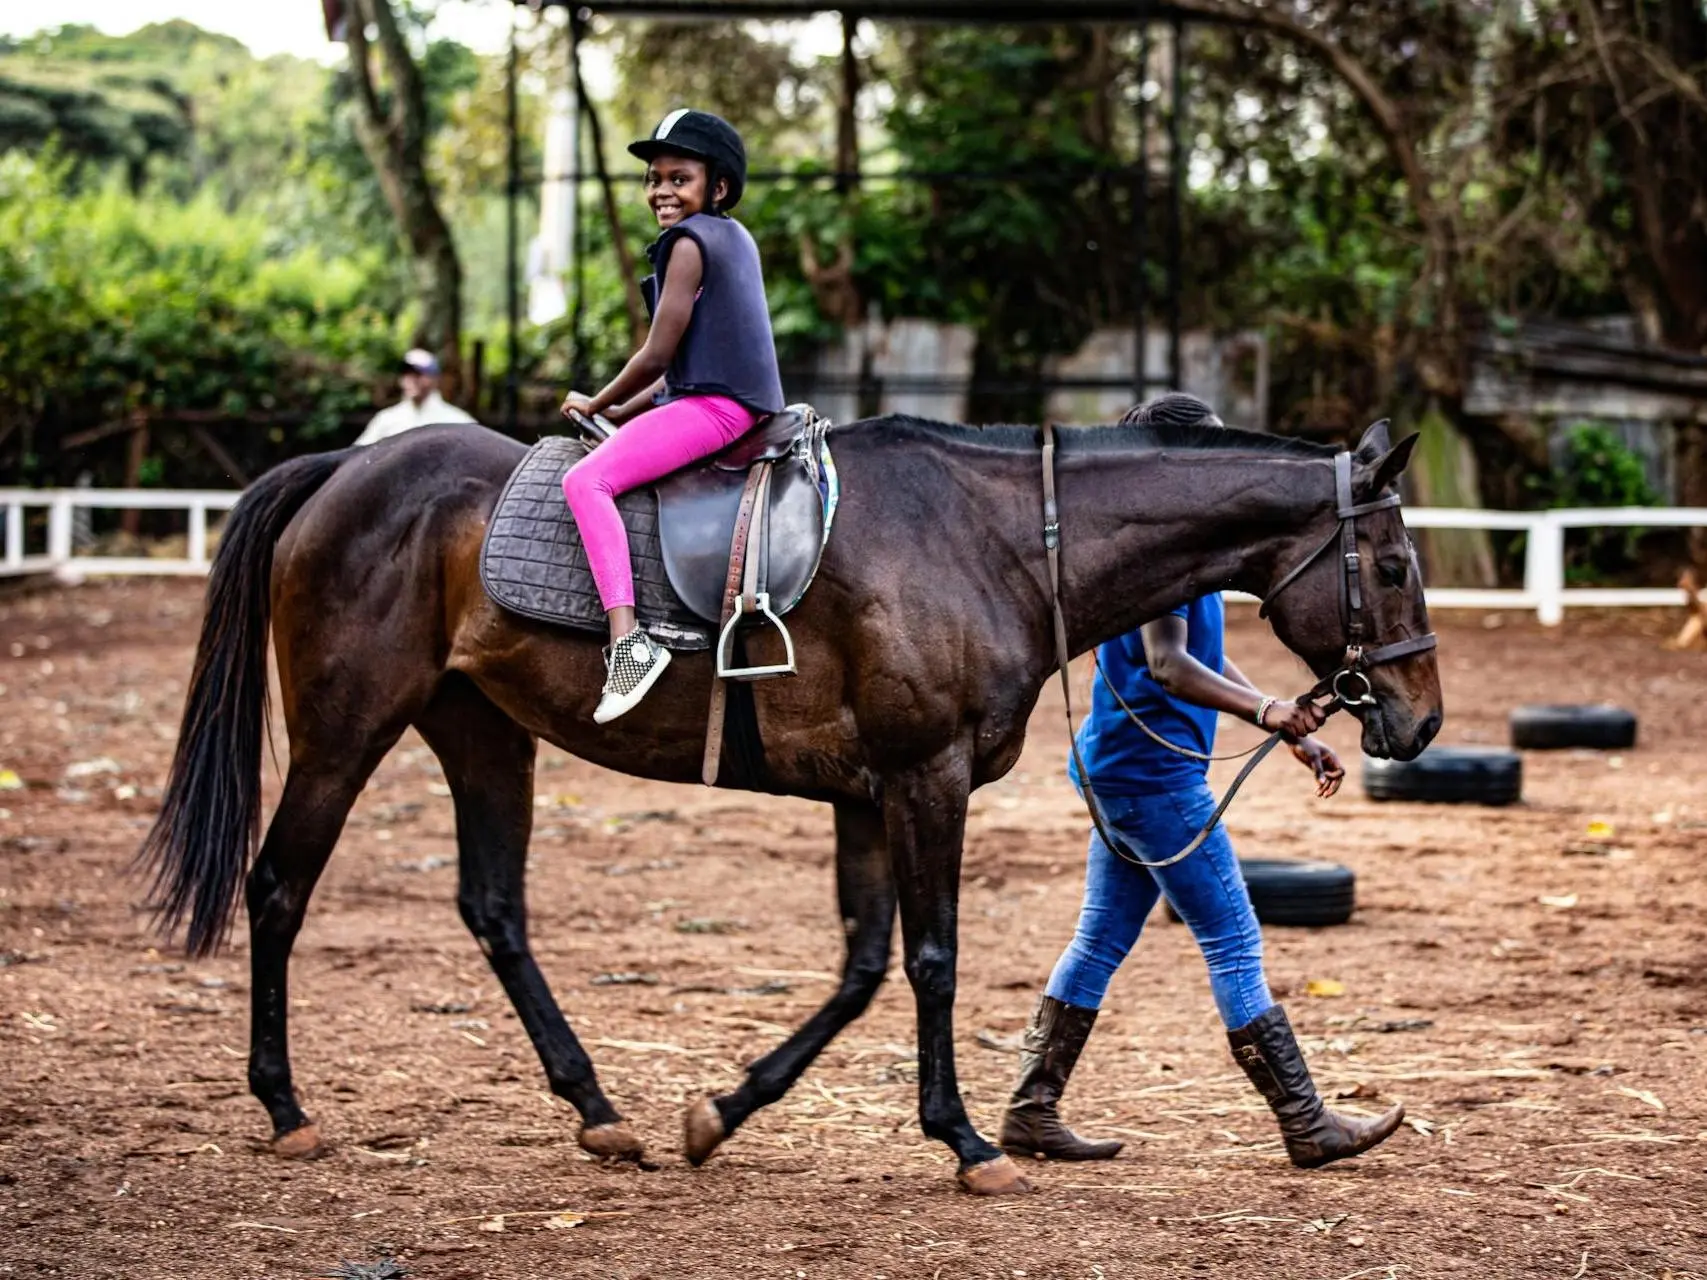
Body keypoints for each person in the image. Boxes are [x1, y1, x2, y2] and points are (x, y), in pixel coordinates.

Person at [998, 392, 1405, 1169]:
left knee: (1098, 939)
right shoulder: (1165, 552)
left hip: (1119, 769)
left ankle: (1030, 1108)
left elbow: (1202, 653)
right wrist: (1270, 711)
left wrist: (1277, 723)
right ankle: (1305, 1122)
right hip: (1153, 782)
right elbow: (1167, 663)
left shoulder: (1158, 542)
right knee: (1232, 941)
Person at [559, 108, 785, 726]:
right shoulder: (733, 238)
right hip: (717, 401)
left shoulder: (686, 244)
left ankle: (629, 642)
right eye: (654, 178)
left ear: (716, 187)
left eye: (678, 178)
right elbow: (674, 371)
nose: (662, 190)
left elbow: (656, 353)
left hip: (714, 410)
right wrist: (615, 414)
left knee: (586, 481)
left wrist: (597, 400)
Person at [353, 349, 477, 447]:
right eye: (405, 374)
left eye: (417, 374)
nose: (409, 380)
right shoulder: (386, 420)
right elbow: (357, 457)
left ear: (434, 379)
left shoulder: (459, 422)